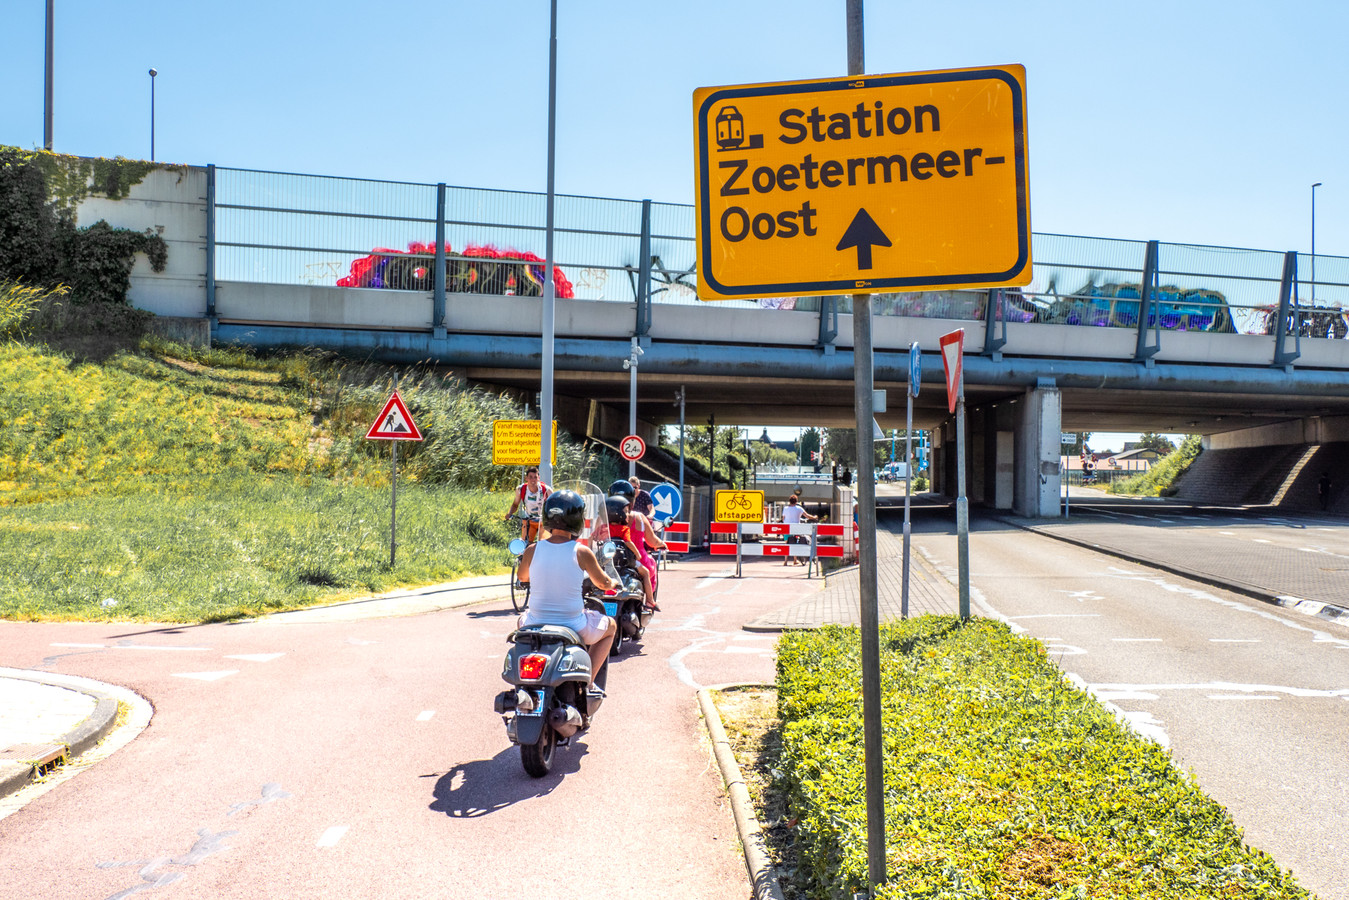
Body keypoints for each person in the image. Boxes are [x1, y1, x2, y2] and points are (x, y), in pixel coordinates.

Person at [516, 490, 618, 691]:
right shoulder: (581, 551)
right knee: (611, 627)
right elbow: (602, 583)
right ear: (577, 519)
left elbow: (522, 577)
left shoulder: (532, 550)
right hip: (574, 625)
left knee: (520, 620)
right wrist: (613, 583)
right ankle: (588, 682)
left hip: (535, 623)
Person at [605, 495, 659, 611]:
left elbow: (593, 537)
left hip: (607, 561)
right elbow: (628, 542)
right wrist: (637, 554)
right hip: (625, 561)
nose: (627, 514)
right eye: (625, 512)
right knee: (645, 573)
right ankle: (650, 601)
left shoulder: (604, 528)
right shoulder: (624, 529)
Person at [505, 466, 551, 541]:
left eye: (535, 477)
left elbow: (554, 506)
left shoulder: (546, 490)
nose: (533, 480)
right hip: (529, 521)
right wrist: (510, 513)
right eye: (530, 477)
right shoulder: (521, 489)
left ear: (538, 478)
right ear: (526, 478)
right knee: (525, 543)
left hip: (543, 522)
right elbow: (515, 504)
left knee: (543, 543)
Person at [781, 494, 816, 566]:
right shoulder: (799, 508)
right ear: (796, 501)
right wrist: (814, 517)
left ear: (789, 501)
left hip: (787, 528)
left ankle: (785, 561)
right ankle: (795, 560)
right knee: (796, 542)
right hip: (796, 529)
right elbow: (807, 516)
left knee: (786, 544)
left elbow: (783, 518)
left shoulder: (785, 508)